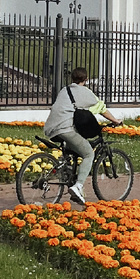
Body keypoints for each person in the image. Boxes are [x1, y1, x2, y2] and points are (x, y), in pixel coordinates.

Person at [44, 68, 119, 205]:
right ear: (86, 79)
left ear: (72, 78)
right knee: (88, 154)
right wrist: (115, 121)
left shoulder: (64, 90)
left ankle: (65, 173)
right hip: (65, 128)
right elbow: (100, 108)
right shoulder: (85, 93)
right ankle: (78, 186)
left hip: (51, 129)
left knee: (73, 150)